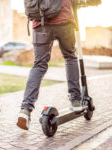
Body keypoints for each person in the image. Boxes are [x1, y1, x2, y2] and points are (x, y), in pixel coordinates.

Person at [17, 0, 83, 130]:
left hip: (40, 22)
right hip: (64, 21)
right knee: (70, 57)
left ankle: (25, 110)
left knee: (39, 65)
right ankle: (75, 100)